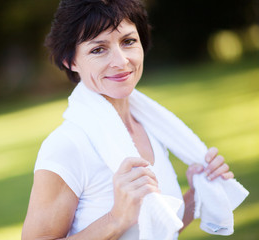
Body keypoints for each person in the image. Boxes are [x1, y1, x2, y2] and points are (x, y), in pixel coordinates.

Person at [22, 0, 234, 239]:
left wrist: (197, 195)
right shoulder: (67, 145)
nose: (121, 61)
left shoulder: (150, 127)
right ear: (70, 61)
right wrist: (116, 219)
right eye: (98, 49)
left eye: (128, 42)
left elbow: (156, 229)